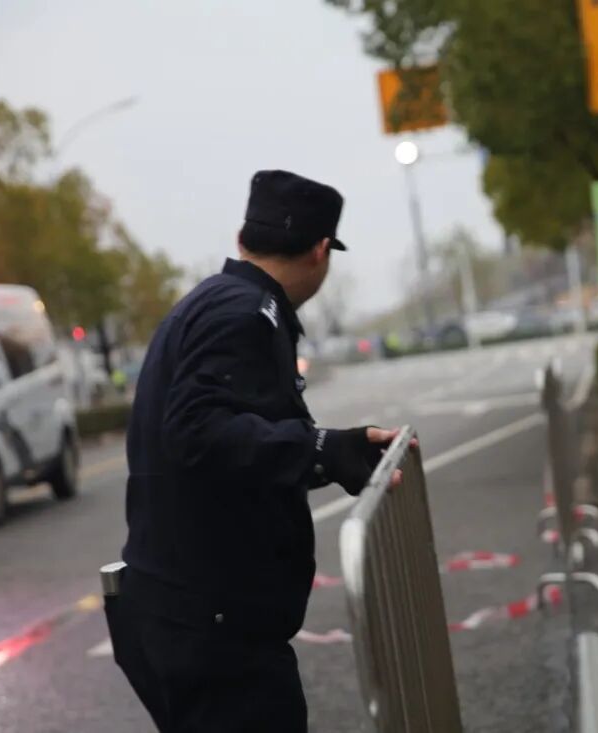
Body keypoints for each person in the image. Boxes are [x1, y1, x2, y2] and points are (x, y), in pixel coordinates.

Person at [110, 170, 405, 732]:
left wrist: (332, 454)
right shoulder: (243, 314)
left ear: (243, 238)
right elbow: (198, 431)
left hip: (188, 615)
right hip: (212, 630)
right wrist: (321, 448)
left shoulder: (213, 302)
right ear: (320, 250)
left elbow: (232, 443)